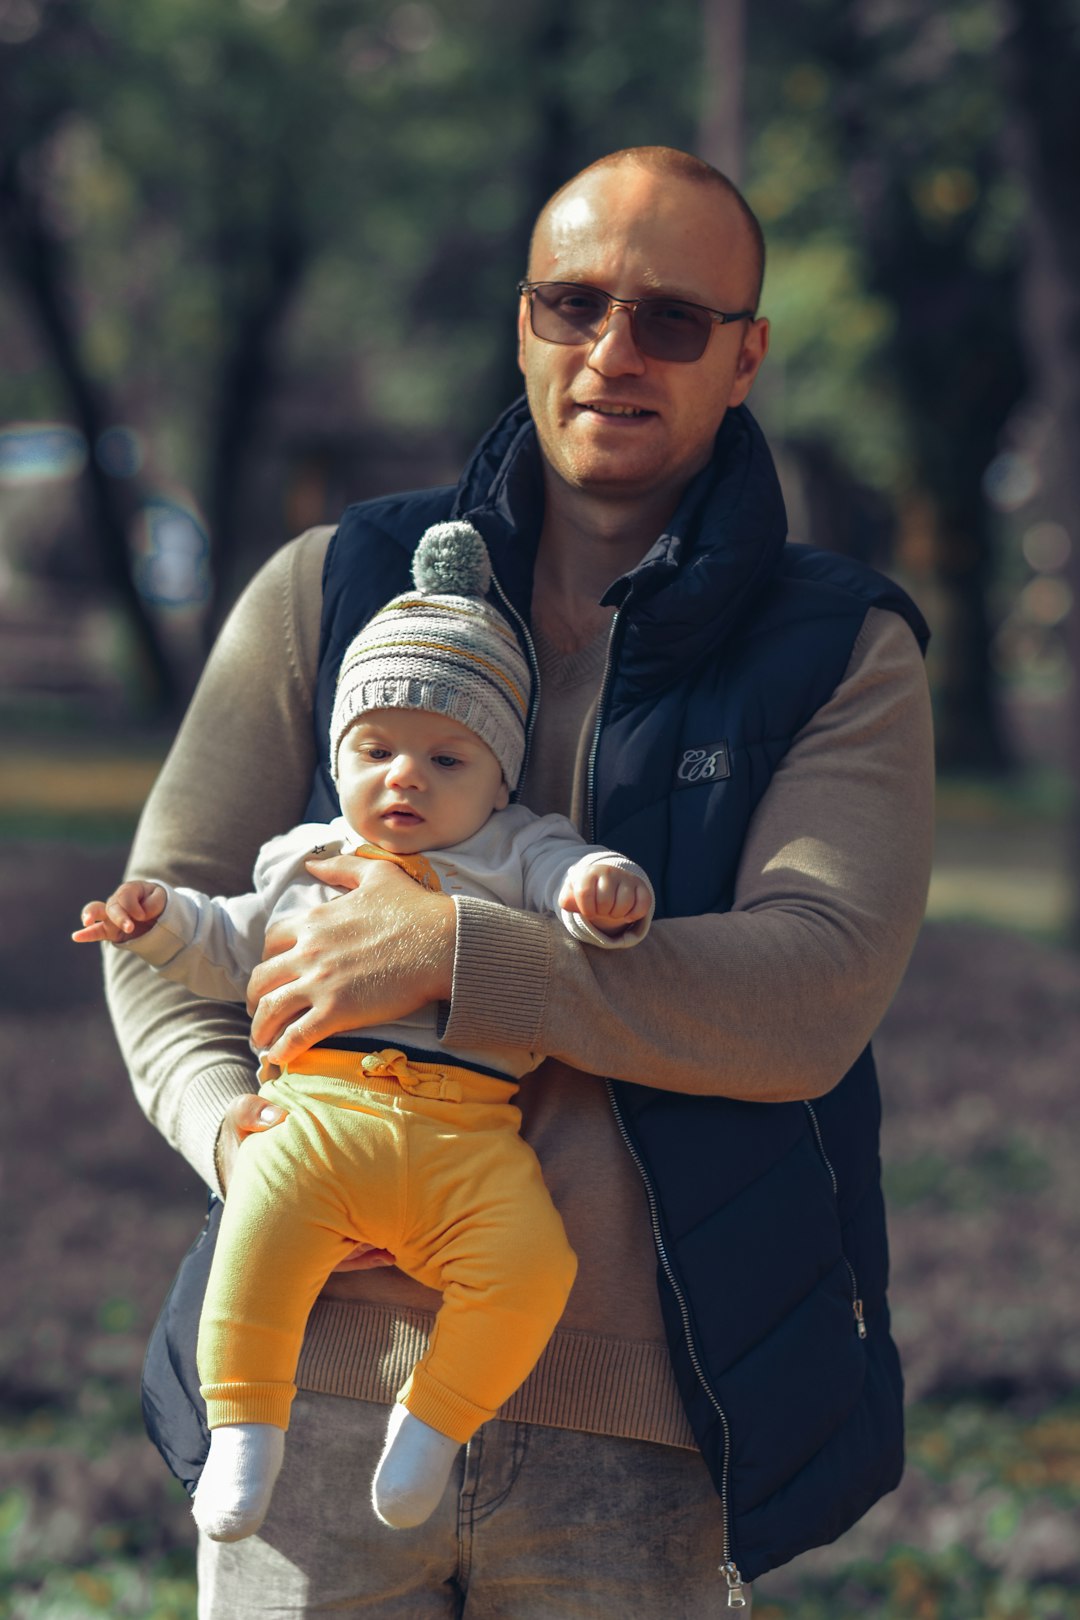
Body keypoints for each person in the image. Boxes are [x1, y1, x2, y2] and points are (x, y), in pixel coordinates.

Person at [106, 145, 934, 1617]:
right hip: (304, 1398)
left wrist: (458, 955)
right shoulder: (327, 585)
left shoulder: (839, 649)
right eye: (576, 304)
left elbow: (810, 988)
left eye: (672, 320)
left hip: (643, 1435)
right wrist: (242, 1146)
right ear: (524, 325)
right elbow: (160, 907)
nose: (615, 351)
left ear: (746, 358)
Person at [76, 524, 654, 1542]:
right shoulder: (302, 859)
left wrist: (602, 893)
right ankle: (247, 1427)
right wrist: (158, 920)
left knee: (531, 1271)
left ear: (501, 772)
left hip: (468, 1138)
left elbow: (575, 885)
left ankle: (432, 1422)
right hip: (317, 1116)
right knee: (252, 1251)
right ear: (339, 753)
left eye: (446, 757)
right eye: (374, 751)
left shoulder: (518, 848)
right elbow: (226, 943)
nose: (404, 779)